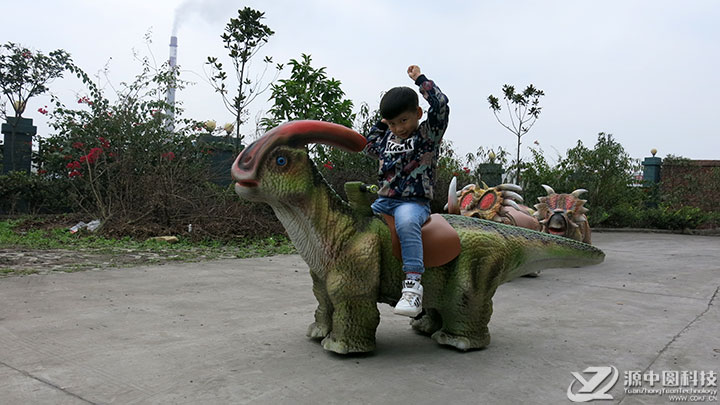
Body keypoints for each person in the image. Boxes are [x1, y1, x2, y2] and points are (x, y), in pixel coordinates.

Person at [363, 65, 450, 317]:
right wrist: (381, 125)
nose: (399, 128)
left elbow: (441, 105)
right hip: (384, 200)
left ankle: (412, 286)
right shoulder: (386, 139)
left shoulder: (427, 135)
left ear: (418, 114)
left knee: (407, 223)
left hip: (413, 202)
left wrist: (420, 80)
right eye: (393, 123)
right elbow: (368, 145)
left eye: (404, 120)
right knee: (358, 219)